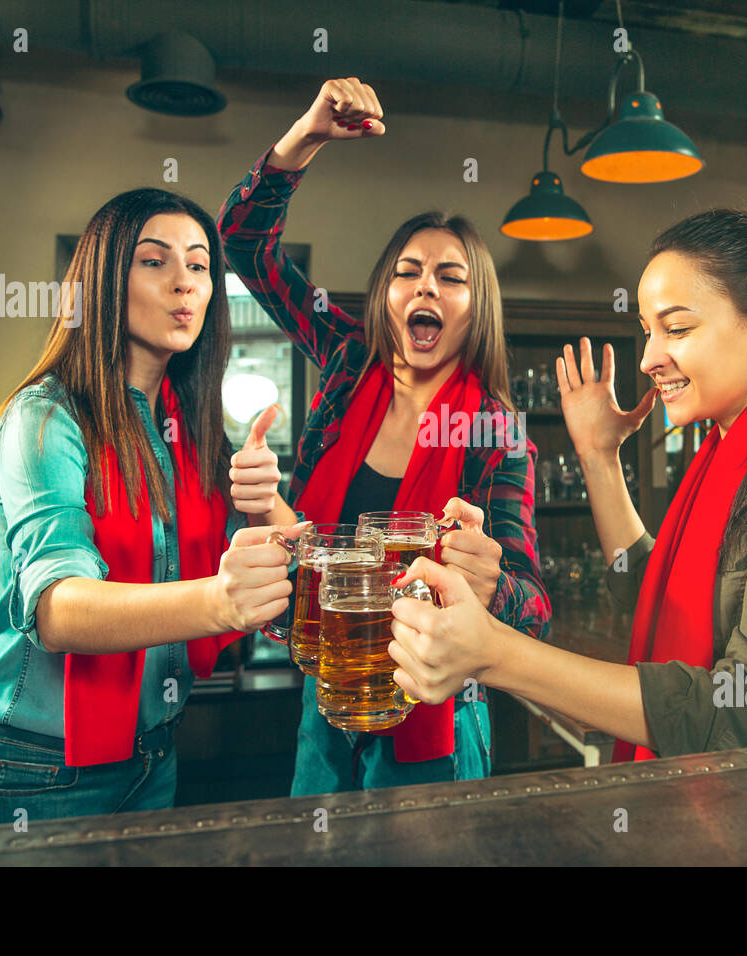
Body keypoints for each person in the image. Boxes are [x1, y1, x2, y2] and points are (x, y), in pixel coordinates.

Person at [389, 209, 747, 760]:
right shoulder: (725, 450)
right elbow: (652, 600)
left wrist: (495, 654)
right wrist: (598, 455)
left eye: (677, 328)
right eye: (646, 331)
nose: (650, 358)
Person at [217, 77, 550, 794]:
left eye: (450, 277)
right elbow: (244, 244)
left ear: (475, 307)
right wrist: (305, 136)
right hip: (327, 691)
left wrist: (493, 584)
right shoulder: (346, 358)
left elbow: (534, 606)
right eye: (407, 272)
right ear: (386, 296)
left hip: (438, 707)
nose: (425, 287)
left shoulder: (495, 430)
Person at [0, 188, 303, 829]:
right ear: (105, 280)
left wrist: (264, 500)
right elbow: (60, 609)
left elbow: (301, 576)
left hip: (153, 759)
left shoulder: (187, 431)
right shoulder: (46, 418)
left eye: (198, 266)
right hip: (29, 768)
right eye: (155, 262)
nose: (184, 284)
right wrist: (218, 600)